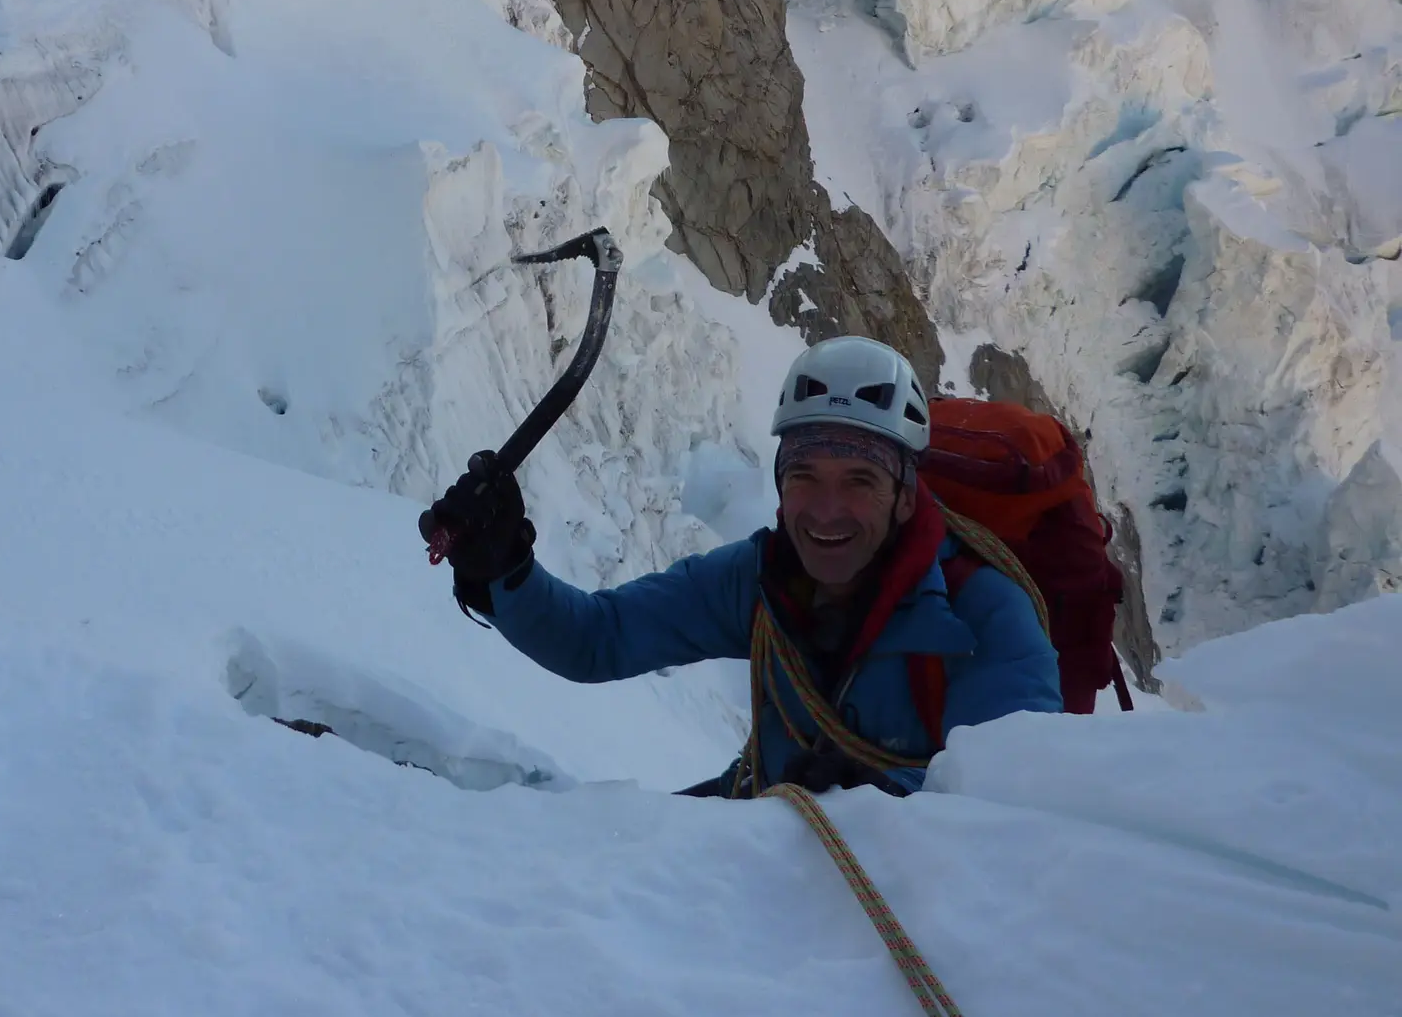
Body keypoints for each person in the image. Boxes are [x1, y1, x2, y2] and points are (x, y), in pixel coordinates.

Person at [424, 336, 1062, 796]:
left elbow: (1011, 808)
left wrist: (873, 797)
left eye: (860, 480)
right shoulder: (762, 580)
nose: (827, 511)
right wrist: (504, 567)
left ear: (904, 495)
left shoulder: (982, 616)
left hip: (883, 899)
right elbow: (599, 639)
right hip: (776, 829)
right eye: (805, 476)